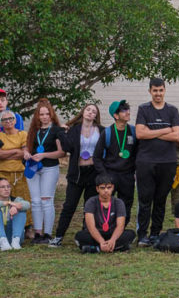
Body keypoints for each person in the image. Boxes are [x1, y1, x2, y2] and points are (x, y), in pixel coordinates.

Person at [135, 78, 179, 246]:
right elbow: (140, 134)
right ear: (150, 91)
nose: (158, 94)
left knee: (160, 200)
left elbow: (177, 136)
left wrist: (151, 131)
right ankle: (142, 235)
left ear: (165, 90)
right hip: (146, 161)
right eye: (155, 90)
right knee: (145, 200)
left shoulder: (172, 111)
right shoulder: (143, 109)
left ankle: (155, 233)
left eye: (160, 90)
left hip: (167, 162)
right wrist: (166, 130)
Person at [52, 103, 104, 247]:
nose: (90, 113)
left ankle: (85, 236)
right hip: (77, 173)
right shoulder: (74, 129)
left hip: (93, 173)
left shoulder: (101, 130)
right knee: (69, 206)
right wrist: (62, 133)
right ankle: (58, 236)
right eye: (88, 110)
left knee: (90, 207)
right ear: (83, 112)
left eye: (94, 111)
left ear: (96, 116)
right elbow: (68, 148)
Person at [24, 98, 65, 243]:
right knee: (35, 201)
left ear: (51, 115)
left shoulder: (56, 130)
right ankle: (38, 233)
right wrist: (26, 153)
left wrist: (44, 155)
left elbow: (61, 153)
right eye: (41, 114)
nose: (44, 117)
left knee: (46, 200)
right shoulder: (34, 130)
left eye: (47, 114)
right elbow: (28, 146)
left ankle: (47, 233)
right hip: (34, 169)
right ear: (37, 116)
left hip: (49, 168)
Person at [93, 100, 138, 224]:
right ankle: (107, 229)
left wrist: (135, 170)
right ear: (116, 116)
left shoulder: (133, 131)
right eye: (124, 111)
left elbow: (138, 153)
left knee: (126, 205)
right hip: (110, 174)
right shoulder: (107, 133)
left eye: (128, 109)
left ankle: (121, 232)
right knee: (107, 205)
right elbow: (96, 157)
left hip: (127, 176)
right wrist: (104, 175)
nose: (127, 112)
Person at [74, 174, 135, 253]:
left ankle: (96, 249)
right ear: (97, 189)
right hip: (96, 234)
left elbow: (120, 226)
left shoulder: (118, 202)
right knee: (80, 236)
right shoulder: (91, 202)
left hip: (112, 233)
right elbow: (91, 227)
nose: (106, 190)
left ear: (112, 187)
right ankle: (116, 248)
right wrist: (101, 241)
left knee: (131, 234)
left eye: (108, 187)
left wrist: (112, 240)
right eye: (102, 188)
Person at [0, 111, 30, 235]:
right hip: (2, 174)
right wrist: (16, 151)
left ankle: (27, 228)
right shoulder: (0, 136)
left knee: (22, 200)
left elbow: (25, 153)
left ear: (15, 120)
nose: (8, 121)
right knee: (4, 201)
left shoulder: (23, 134)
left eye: (11, 118)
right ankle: (4, 228)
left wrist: (6, 153)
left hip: (19, 174)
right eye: (5, 119)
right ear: (1, 123)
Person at [0, 177, 29, 251]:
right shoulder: (11, 202)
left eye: (8, 186)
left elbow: (27, 204)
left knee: (20, 209)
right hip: (1, 235)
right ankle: (2, 241)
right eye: (3, 187)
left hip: (11, 234)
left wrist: (15, 207)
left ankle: (15, 241)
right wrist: (8, 203)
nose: (6, 189)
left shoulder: (15, 199)